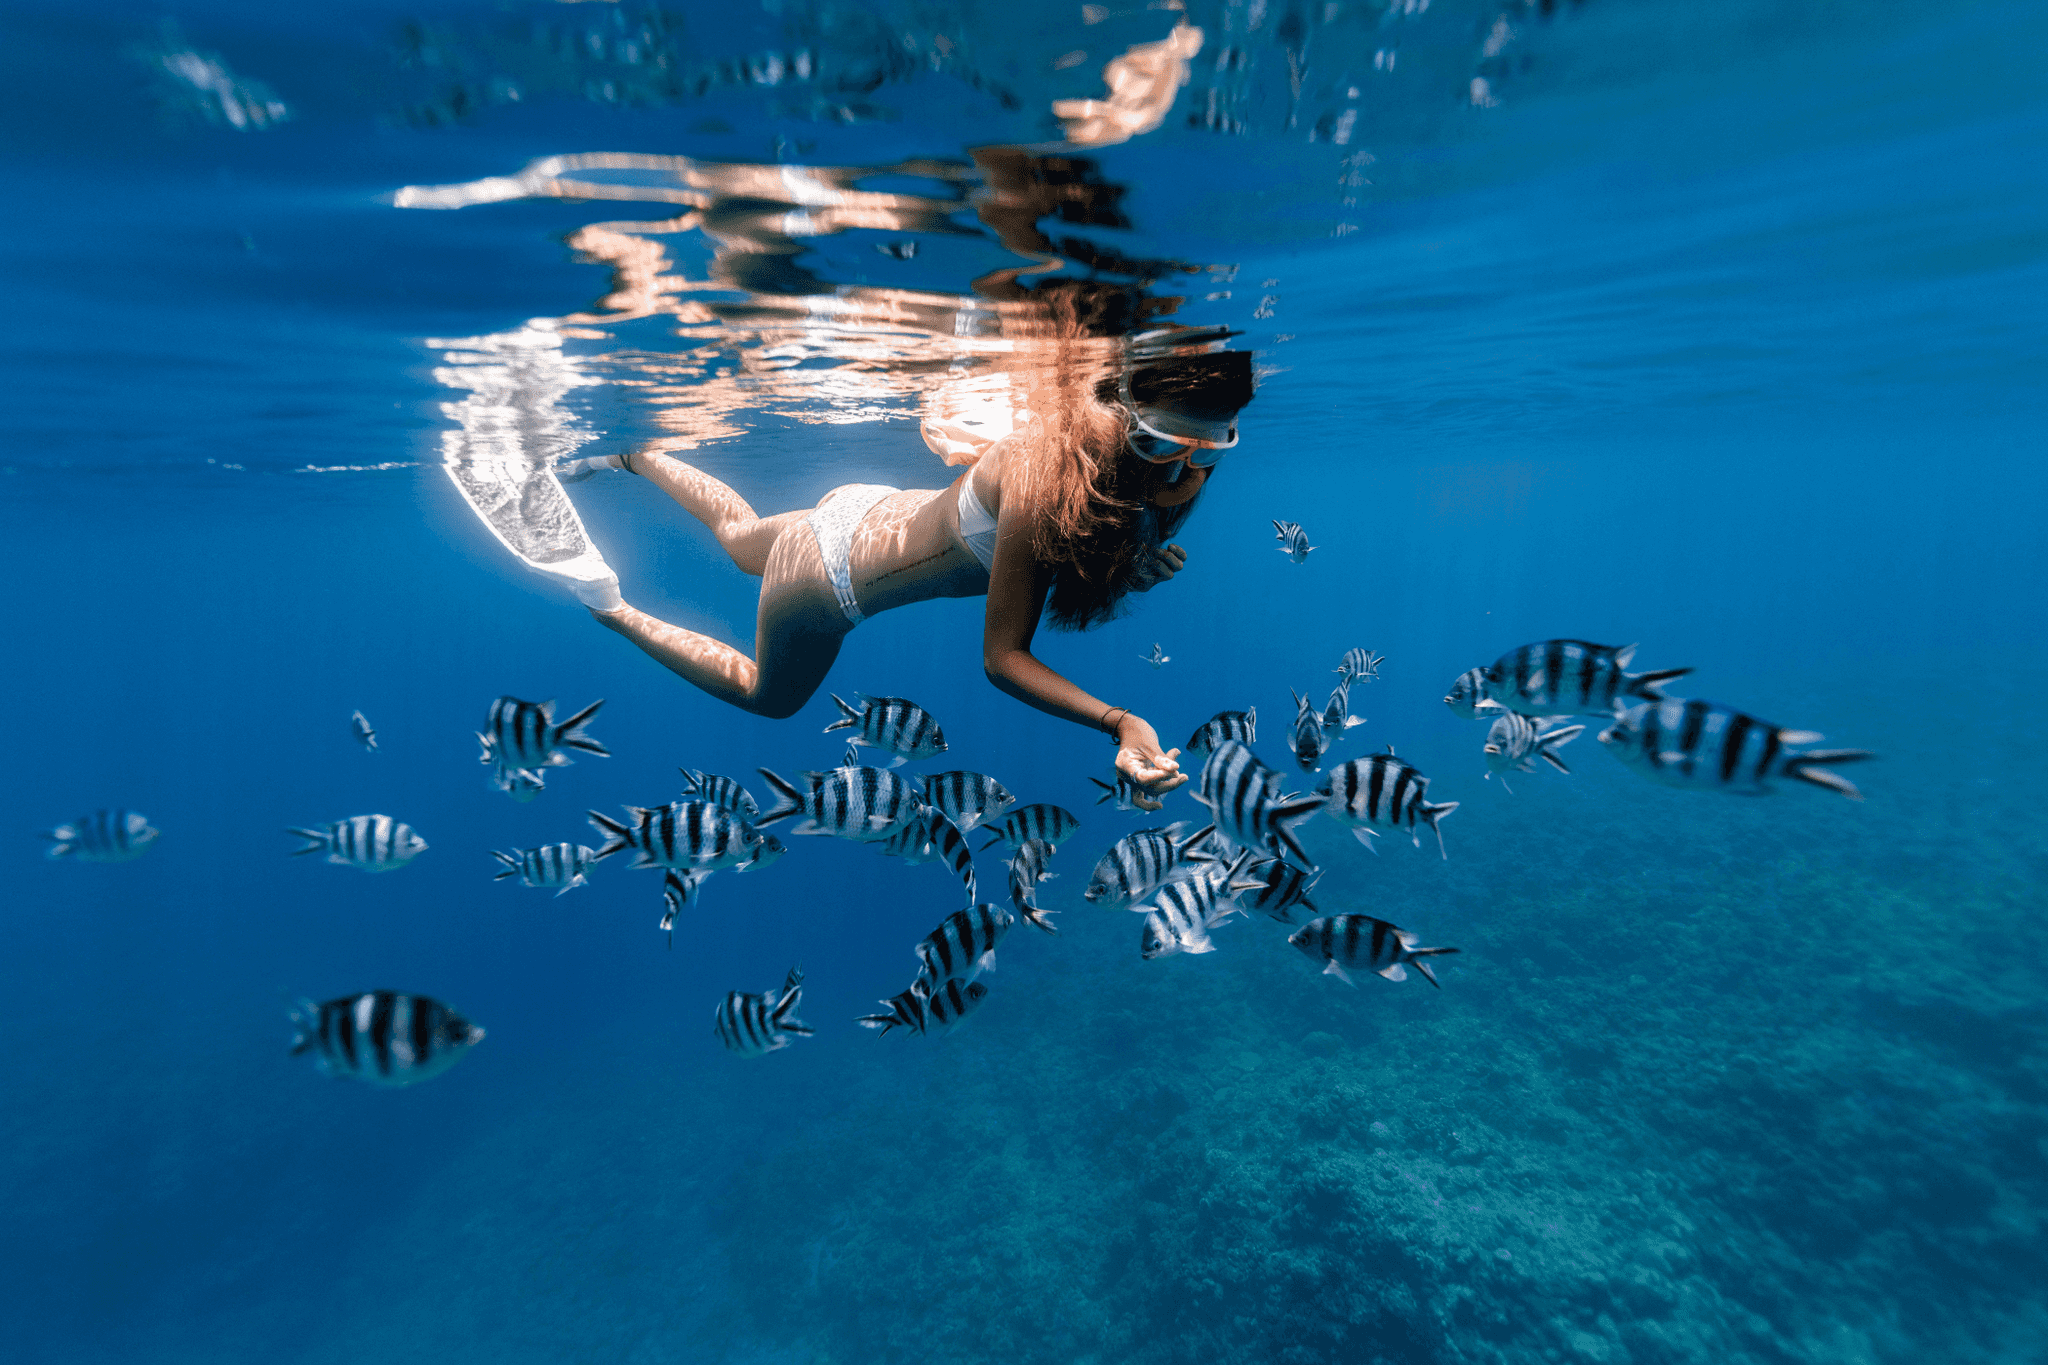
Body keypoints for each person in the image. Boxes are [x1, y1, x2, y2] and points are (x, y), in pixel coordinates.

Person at [566, 345, 1253, 806]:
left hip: (860, 509)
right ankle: (610, 605)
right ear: (1123, 412)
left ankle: (637, 456)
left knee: (740, 538)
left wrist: (1129, 567)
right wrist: (1121, 721)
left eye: (1213, 446)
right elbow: (1002, 657)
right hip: (826, 581)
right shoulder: (1045, 469)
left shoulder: (1130, 466)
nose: (1183, 470)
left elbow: (1073, 544)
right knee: (766, 696)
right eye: (1162, 442)